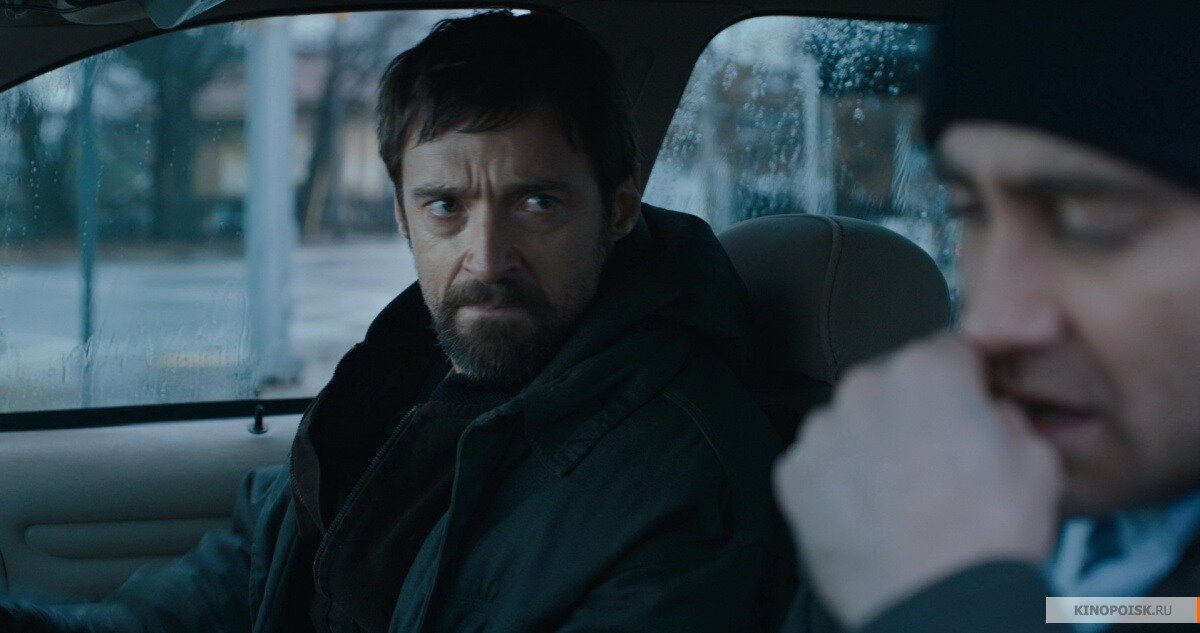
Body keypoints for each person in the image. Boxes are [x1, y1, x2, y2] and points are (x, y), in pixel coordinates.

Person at [3, 10, 788, 631]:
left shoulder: (686, 481)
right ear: (403, 218)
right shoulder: (405, 371)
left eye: (536, 203)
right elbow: (250, 568)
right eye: (446, 206)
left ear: (616, 209)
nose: (487, 258)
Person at [774, 2, 1200, 631]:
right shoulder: (935, 480)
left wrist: (947, 600)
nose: (990, 321)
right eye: (968, 211)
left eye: (1091, 223)